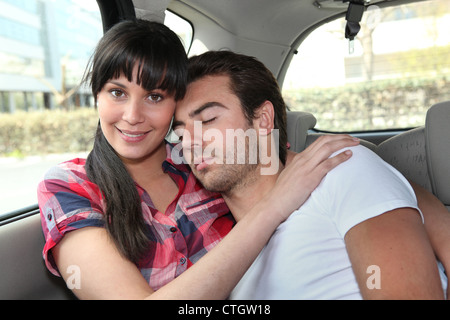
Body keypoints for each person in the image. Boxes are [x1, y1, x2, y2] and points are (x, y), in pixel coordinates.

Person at [37, 19, 358, 299]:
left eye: (154, 97)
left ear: (176, 104)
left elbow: (278, 159)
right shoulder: (71, 186)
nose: (132, 116)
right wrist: (274, 207)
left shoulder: (204, 163)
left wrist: (363, 169)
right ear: (96, 95)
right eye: (117, 93)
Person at [173, 50, 449, 299]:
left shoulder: (339, 168)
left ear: (263, 120)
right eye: (180, 131)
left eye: (208, 120)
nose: (190, 141)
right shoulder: (225, 256)